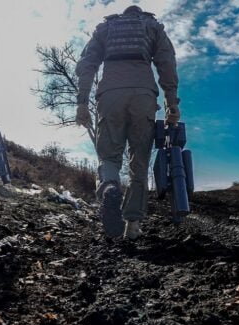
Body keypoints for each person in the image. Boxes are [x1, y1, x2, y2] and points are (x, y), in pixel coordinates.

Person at [75, 5, 180, 239]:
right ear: (140, 13)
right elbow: (166, 63)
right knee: (139, 161)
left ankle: (110, 186)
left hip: (110, 94)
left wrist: (82, 102)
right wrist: (171, 103)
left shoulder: (106, 27)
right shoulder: (152, 26)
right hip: (143, 95)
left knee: (109, 156)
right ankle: (132, 226)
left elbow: (87, 64)